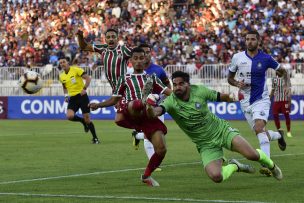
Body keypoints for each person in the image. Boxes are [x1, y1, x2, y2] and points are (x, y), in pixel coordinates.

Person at [145, 71, 283, 183]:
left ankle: (272, 166)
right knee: (216, 177)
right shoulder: (170, 101)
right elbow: (156, 112)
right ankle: (235, 166)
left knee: (251, 155)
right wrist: (149, 106)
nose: (177, 87)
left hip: (221, 131)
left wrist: (231, 97)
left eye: (181, 84)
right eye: (175, 85)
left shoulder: (199, 91)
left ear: (188, 84)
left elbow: (219, 96)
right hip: (205, 144)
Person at [89, 47, 172, 186]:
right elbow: (114, 99)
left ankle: (146, 176)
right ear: (131, 61)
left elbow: (169, 92)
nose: (139, 61)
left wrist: (187, 98)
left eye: (141, 58)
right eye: (136, 58)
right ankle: (146, 99)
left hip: (147, 116)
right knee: (134, 104)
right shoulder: (124, 78)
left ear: (146, 58)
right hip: (131, 110)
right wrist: (99, 105)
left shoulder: (152, 78)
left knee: (161, 149)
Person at [227, 30, 290, 176]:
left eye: (252, 39)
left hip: (261, 99)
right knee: (261, 133)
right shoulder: (237, 58)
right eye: (247, 39)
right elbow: (229, 78)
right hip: (244, 101)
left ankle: (267, 164)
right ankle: (279, 135)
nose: (249, 41)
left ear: (258, 41)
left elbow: (283, 71)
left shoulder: (266, 58)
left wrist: (284, 86)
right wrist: (236, 83)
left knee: (259, 128)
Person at [131, 43, 171, 173]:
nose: (146, 54)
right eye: (143, 52)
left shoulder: (158, 70)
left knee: (159, 133)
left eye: (148, 52)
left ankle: (137, 136)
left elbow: (166, 84)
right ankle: (153, 163)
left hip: (157, 106)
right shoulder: (132, 72)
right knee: (150, 135)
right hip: (141, 108)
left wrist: (165, 97)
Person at [58, 56, 99, 144]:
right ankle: (82, 121)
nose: (62, 64)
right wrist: (66, 96)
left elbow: (88, 78)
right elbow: (64, 87)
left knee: (88, 119)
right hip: (72, 98)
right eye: (60, 63)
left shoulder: (76, 70)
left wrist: (84, 88)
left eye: (63, 62)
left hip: (82, 96)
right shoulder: (61, 76)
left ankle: (95, 138)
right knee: (69, 116)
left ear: (67, 63)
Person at [77, 28, 132, 93]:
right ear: (105, 39)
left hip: (126, 89)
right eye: (108, 37)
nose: (111, 39)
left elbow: (139, 55)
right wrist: (80, 36)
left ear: (117, 39)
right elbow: (84, 47)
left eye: (113, 37)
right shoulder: (103, 48)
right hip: (114, 89)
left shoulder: (124, 49)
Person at [270, 72, 292, 137]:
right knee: (275, 115)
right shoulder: (274, 79)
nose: (278, 72)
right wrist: (270, 97)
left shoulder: (286, 79)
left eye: (280, 71)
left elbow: (289, 89)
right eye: (277, 71)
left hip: (284, 100)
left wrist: (289, 100)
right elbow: (273, 89)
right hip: (276, 100)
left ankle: (288, 131)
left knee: (286, 115)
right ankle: (279, 130)